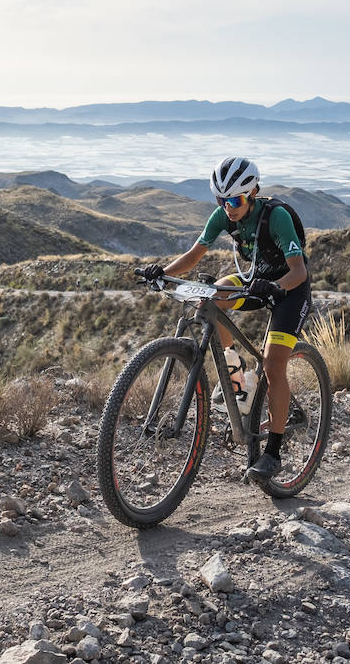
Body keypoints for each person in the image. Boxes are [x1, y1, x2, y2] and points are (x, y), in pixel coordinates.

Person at [139, 157, 311, 484]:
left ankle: (272, 453)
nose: (228, 207)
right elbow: (195, 254)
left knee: (274, 367)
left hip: (289, 290)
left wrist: (275, 287)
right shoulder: (223, 216)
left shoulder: (277, 217)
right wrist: (161, 271)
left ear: (253, 192)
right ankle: (236, 376)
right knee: (212, 295)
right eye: (221, 200)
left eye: (235, 200)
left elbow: (299, 271)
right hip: (254, 280)